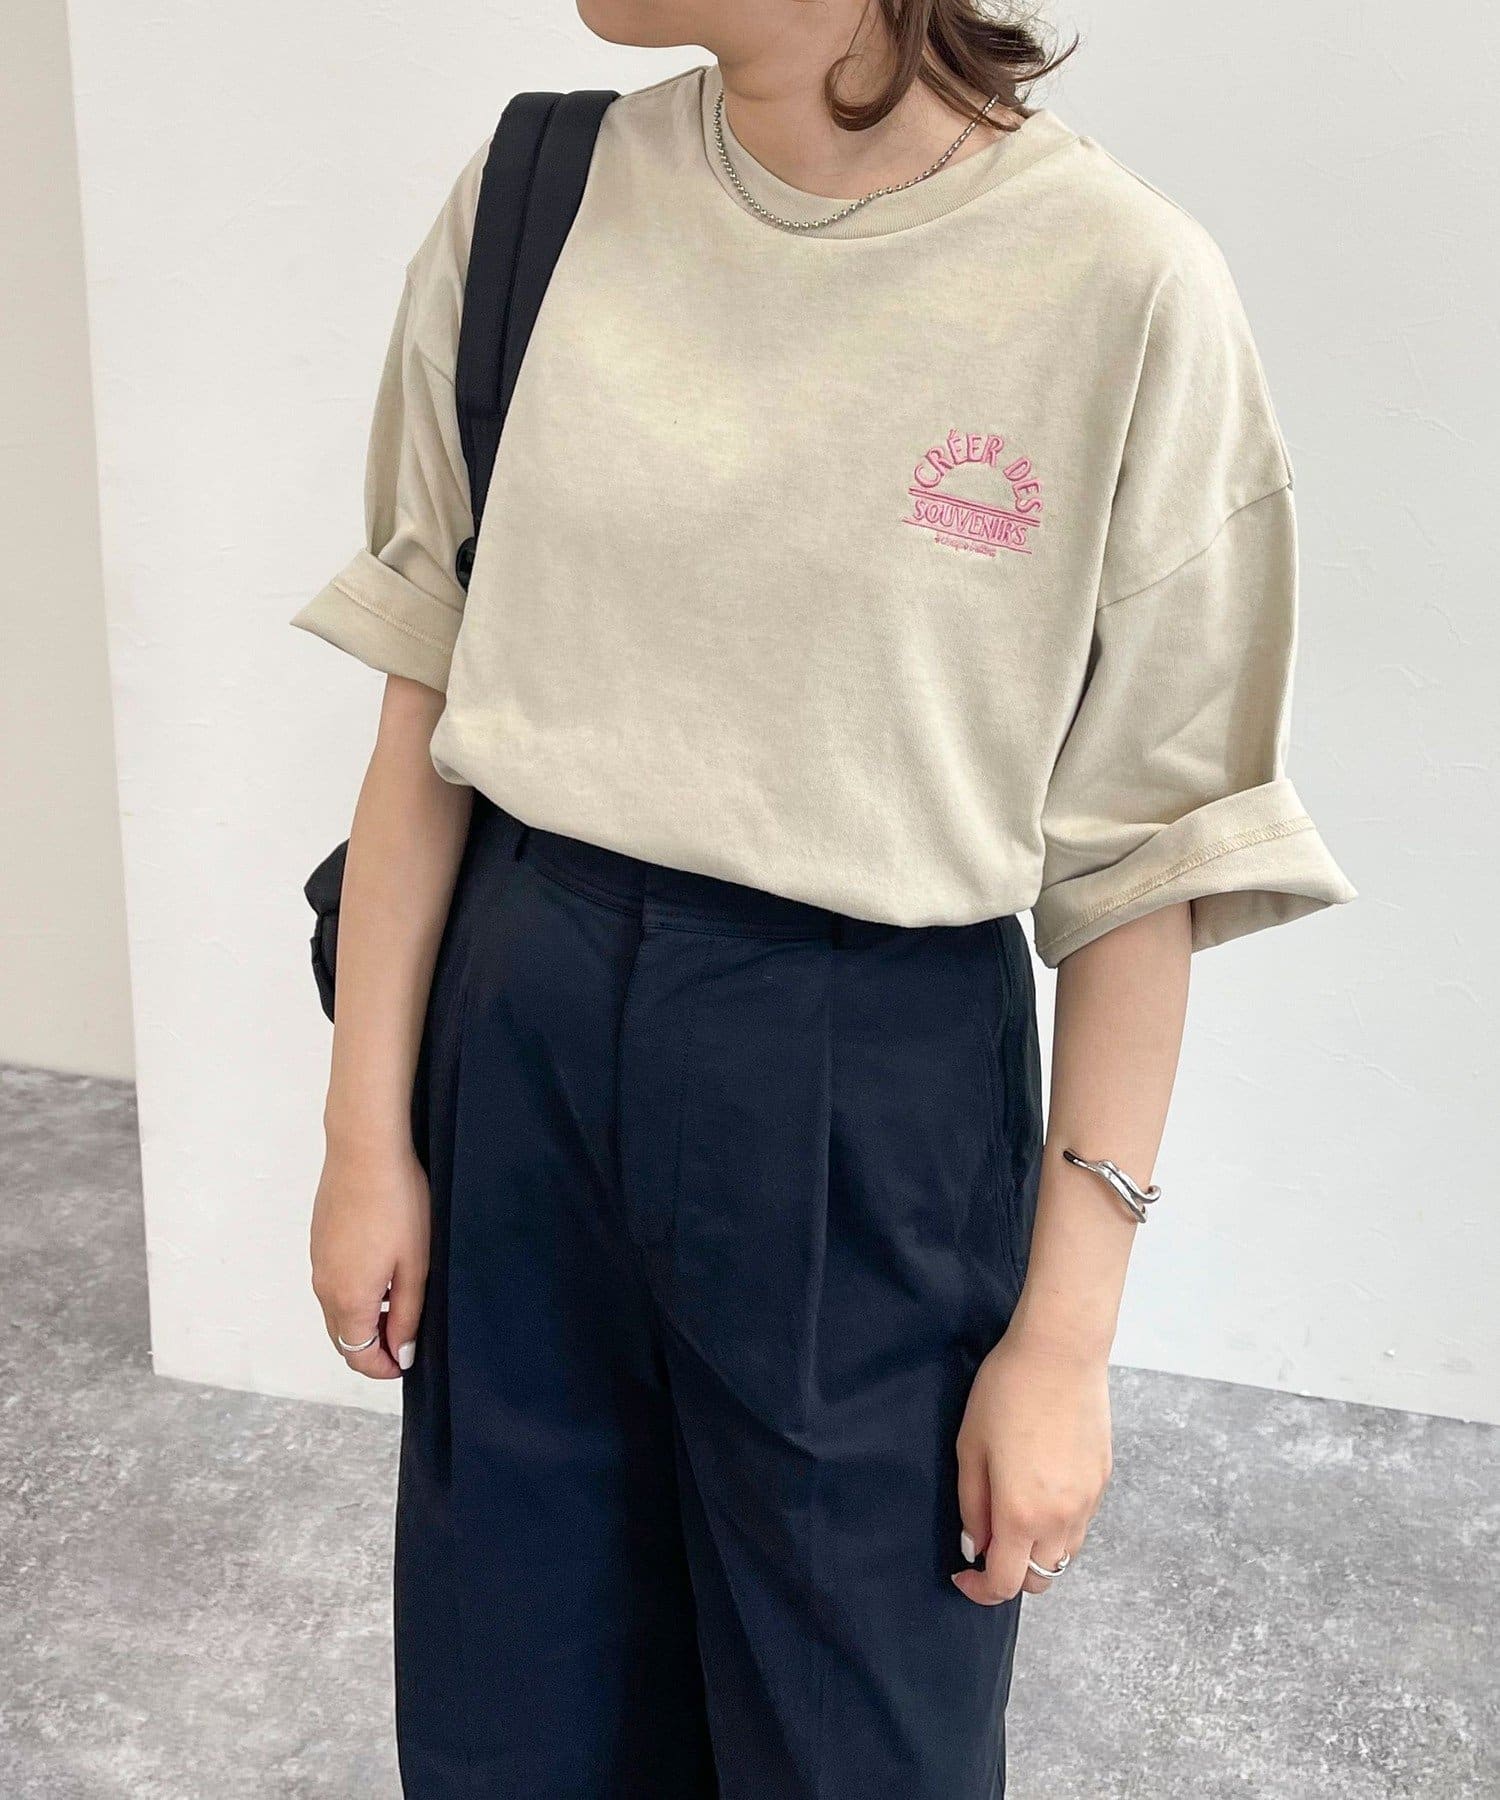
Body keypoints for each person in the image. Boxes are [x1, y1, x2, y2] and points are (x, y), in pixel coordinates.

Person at [292, 3, 1354, 1793]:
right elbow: (430, 695)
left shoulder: (1122, 286)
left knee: (857, 1740)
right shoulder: (543, 196)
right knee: (512, 1713)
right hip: (523, 1033)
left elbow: (1145, 863)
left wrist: (1065, 1341)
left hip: (867, 1083)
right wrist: (361, 1139)